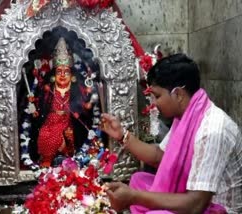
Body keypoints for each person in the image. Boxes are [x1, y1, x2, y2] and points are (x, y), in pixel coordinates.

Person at [101, 53, 242, 213]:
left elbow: (196, 204)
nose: (154, 103)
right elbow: (159, 157)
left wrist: (134, 197)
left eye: (157, 96)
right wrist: (121, 134)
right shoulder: (187, 115)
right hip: (194, 197)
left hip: (215, 208)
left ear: (178, 94)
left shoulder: (212, 130)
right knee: (138, 180)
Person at [36, 37, 92, 167]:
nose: (62, 75)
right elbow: (41, 106)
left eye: (66, 72)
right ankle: (47, 162)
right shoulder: (48, 90)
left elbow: (82, 106)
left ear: (71, 75)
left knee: (68, 135)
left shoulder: (76, 89)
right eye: (59, 72)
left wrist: (85, 106)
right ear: (54, 75)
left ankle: (69, 160)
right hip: (50, 121)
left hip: (67, 120)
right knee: (44, 134)